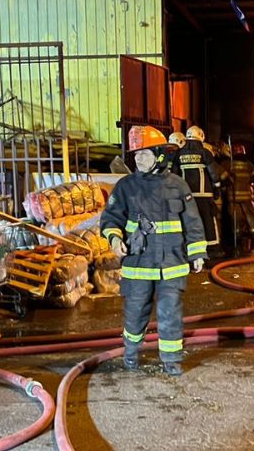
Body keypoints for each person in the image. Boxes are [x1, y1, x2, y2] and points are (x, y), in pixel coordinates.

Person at [101, 126, 207, 376]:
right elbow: (110, 218)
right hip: (139, 264)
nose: (138, 159)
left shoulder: (178, 186)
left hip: (172, 263)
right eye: (136, 155)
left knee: (170, 312)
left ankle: (171, 359)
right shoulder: (125, 187)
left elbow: (192, 222)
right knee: (136, 311)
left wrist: (198, 253)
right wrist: (115, 240)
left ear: (160, 155)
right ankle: (131, 351)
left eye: (144, 154)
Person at [173, 126, 221, 251]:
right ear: (201, 135)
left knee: (188, 221)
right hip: (204, 195)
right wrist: (217, 186)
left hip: (185, 196)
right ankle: (211, 248)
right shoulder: (205, 152)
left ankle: (190, 248)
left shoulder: (179, 153)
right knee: (207, 220)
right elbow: (214, 173)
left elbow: (174, 174)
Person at [227, 144, 254, 256]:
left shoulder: (228, 164)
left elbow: (223, 177)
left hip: (233, 197)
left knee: (235, 218)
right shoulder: (248, 165)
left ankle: (237, 239)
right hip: (246, 196)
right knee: (250, 216)